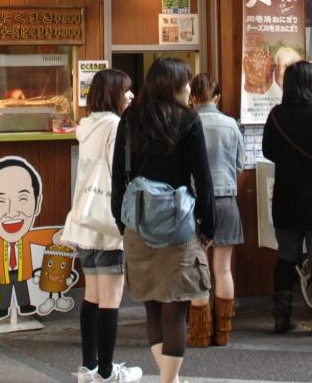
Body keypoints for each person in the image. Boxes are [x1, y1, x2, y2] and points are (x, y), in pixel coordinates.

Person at [111, 57, 214, 383]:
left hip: (138, 225)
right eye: (186, 82)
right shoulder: (188, 120)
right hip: (177, 226)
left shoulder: (130, 118)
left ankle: (169, 378)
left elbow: (118, 178)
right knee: (176, 311)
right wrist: (208, 227)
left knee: (152, 308)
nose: (189, 88)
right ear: (174, 85)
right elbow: (203, 180)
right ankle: (169, 380)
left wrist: (123, 224)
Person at [60, 68, 142, 383]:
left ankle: (89, 367)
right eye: (126, 90)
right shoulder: (114, 125)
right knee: (111, 299)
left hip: (84, 219)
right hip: (107, 222)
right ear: (112, 93)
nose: (131, 95)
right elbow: (119, 172)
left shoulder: (86, 125)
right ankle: (107, 373)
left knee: (92, 296)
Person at [262, 60, 312, 336]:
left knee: (286, 256)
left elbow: (268, 151)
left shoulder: (276, 115)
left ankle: (281, 317)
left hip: (286, 195)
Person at [187, 73, 244, 347]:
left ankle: (199, 333)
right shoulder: (231, 125)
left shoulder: (187, 123)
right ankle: (223, 332)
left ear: (192, 97)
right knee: (223, 269)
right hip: (225, 201)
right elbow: (239, 164)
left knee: (198, 269)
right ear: (217, 98)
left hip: (193, 202)